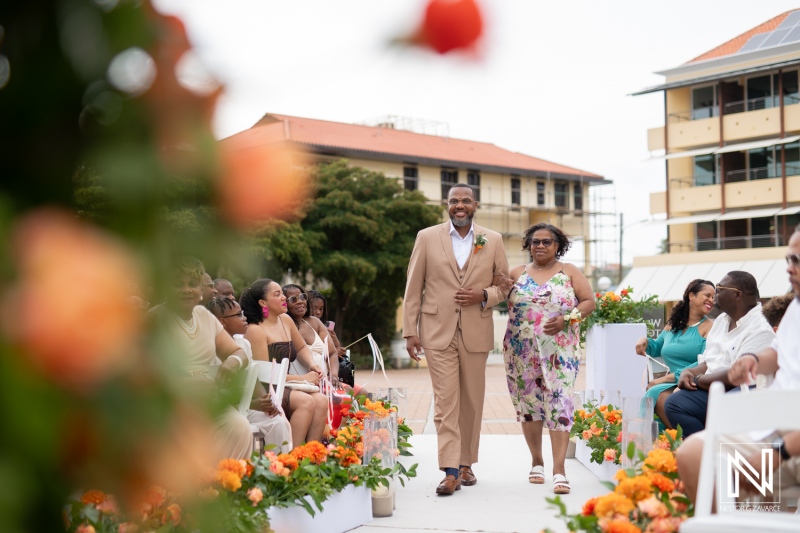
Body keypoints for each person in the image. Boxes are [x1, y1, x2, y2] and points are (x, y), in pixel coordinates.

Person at [676, 229, 800, 505]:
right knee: (692, 455)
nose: (789, 268)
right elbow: (777, 354)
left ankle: (758, 509)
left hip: (790, 445)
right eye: (788, 259)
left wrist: (778, 453)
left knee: (731, 473)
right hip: (776, 429)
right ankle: (736, 517)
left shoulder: (760, 321)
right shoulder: (795, 309)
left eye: (797, 260)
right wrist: (753, 360)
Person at [403, 183, 509, 496]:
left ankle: (466, 464)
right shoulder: (427, 237)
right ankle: (450, 471)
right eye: (453, 201)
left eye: (465, 200)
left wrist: (484, 294)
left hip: (476, 329)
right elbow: (413, 287)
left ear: (475, 205)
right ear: (447, 205)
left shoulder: (493, 239)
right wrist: (410, 330)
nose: (459, 205)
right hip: (437, 330)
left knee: (472, 402)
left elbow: (505, 285)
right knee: (446, 401)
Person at [502, 222, 595, 494]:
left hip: (560, 352)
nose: (540, 245)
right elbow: (495, 295)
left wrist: (568, 318)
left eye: (547, 241)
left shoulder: (569, 271)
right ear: (528, 245)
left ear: (557, 246)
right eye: (535, 241)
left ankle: (559, 470)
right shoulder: (516, 273)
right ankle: (536, 461)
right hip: (521, 350)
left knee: (560, 403)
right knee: (529, 404)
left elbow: (589, 301)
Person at [148, 258, 253, 461]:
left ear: (201, 289)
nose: (186, 290)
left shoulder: (204, 316)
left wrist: (232, 363)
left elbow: (239, 352)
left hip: (207, 402)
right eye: (178, 284)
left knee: (239, 427)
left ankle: (225, 478)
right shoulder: (155, 318)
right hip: (169, 407)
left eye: (193, 284)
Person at [663, 271, 775, 436]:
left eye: (719, 289)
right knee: (674, 403)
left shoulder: (761, 328)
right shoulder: (722, 320)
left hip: (745, 389)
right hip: (712, 385)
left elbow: (737, 376)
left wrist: (698, 380)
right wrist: (689, 372)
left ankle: (717, 446)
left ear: (737, 295)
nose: (715, 294)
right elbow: (709, 361)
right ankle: (704, 447)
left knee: (726, 406)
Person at [240, 278, 329, 445]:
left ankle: (310, 454)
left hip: (287, 385)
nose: (283, 297)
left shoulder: (285, 320)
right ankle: (290, 456)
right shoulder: (255, 330)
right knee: (306, 402)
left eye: (282, 293)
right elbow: (265, 376)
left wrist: (312, 364)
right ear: (263, 302)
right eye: (277, 294)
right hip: (266, 389)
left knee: (322, 401)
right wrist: (303, 378)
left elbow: (301, 348)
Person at [206, 297, 292, 453]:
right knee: (238, 426)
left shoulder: (243, 344)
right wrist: (252, 404)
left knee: (278, 422)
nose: (244, 317)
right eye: (239, 314)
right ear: (223, 322)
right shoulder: (208, 349)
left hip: (246, 406)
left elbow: (252, 377)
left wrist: (265, 401)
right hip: (222, 409)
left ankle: (281, 464)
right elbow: (213, 394)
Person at [634, 279, 715, 430]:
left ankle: (676, 439)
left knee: (654, 392)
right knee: (654, 393)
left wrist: (663, 379)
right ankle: (667, 440)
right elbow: (657, 348)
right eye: (707, 295)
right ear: (691, 296)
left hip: (693, 381)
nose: (711, 300)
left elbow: (705, 362)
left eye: (713, 297)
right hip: (671, 382)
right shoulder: (673, 324)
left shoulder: (710, 327)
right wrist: (644, 340)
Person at [283, 284, 339, 381]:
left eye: (302, 297)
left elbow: (332, 353)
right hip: (297, 382)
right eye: (293, 299)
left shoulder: (315, 322)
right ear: (284, 303)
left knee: (351, 389)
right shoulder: (282, 325)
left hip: (324, 381)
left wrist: (333, 376)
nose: (300, 301)